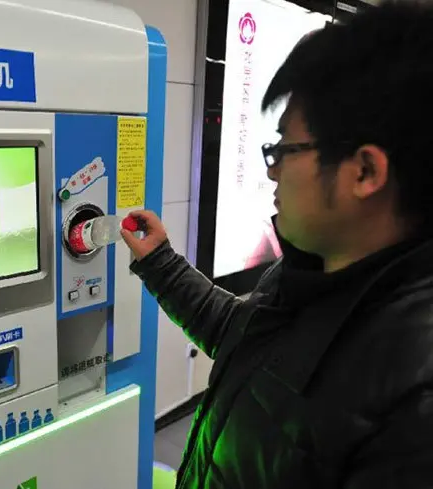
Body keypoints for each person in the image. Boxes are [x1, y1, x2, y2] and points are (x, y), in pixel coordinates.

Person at [121, 2, 433, 488]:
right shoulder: (314, 266)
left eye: (286, 148)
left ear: (365, 172)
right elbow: (246, 339)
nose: (272, 169)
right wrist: (162, 263)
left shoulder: (415, 403)